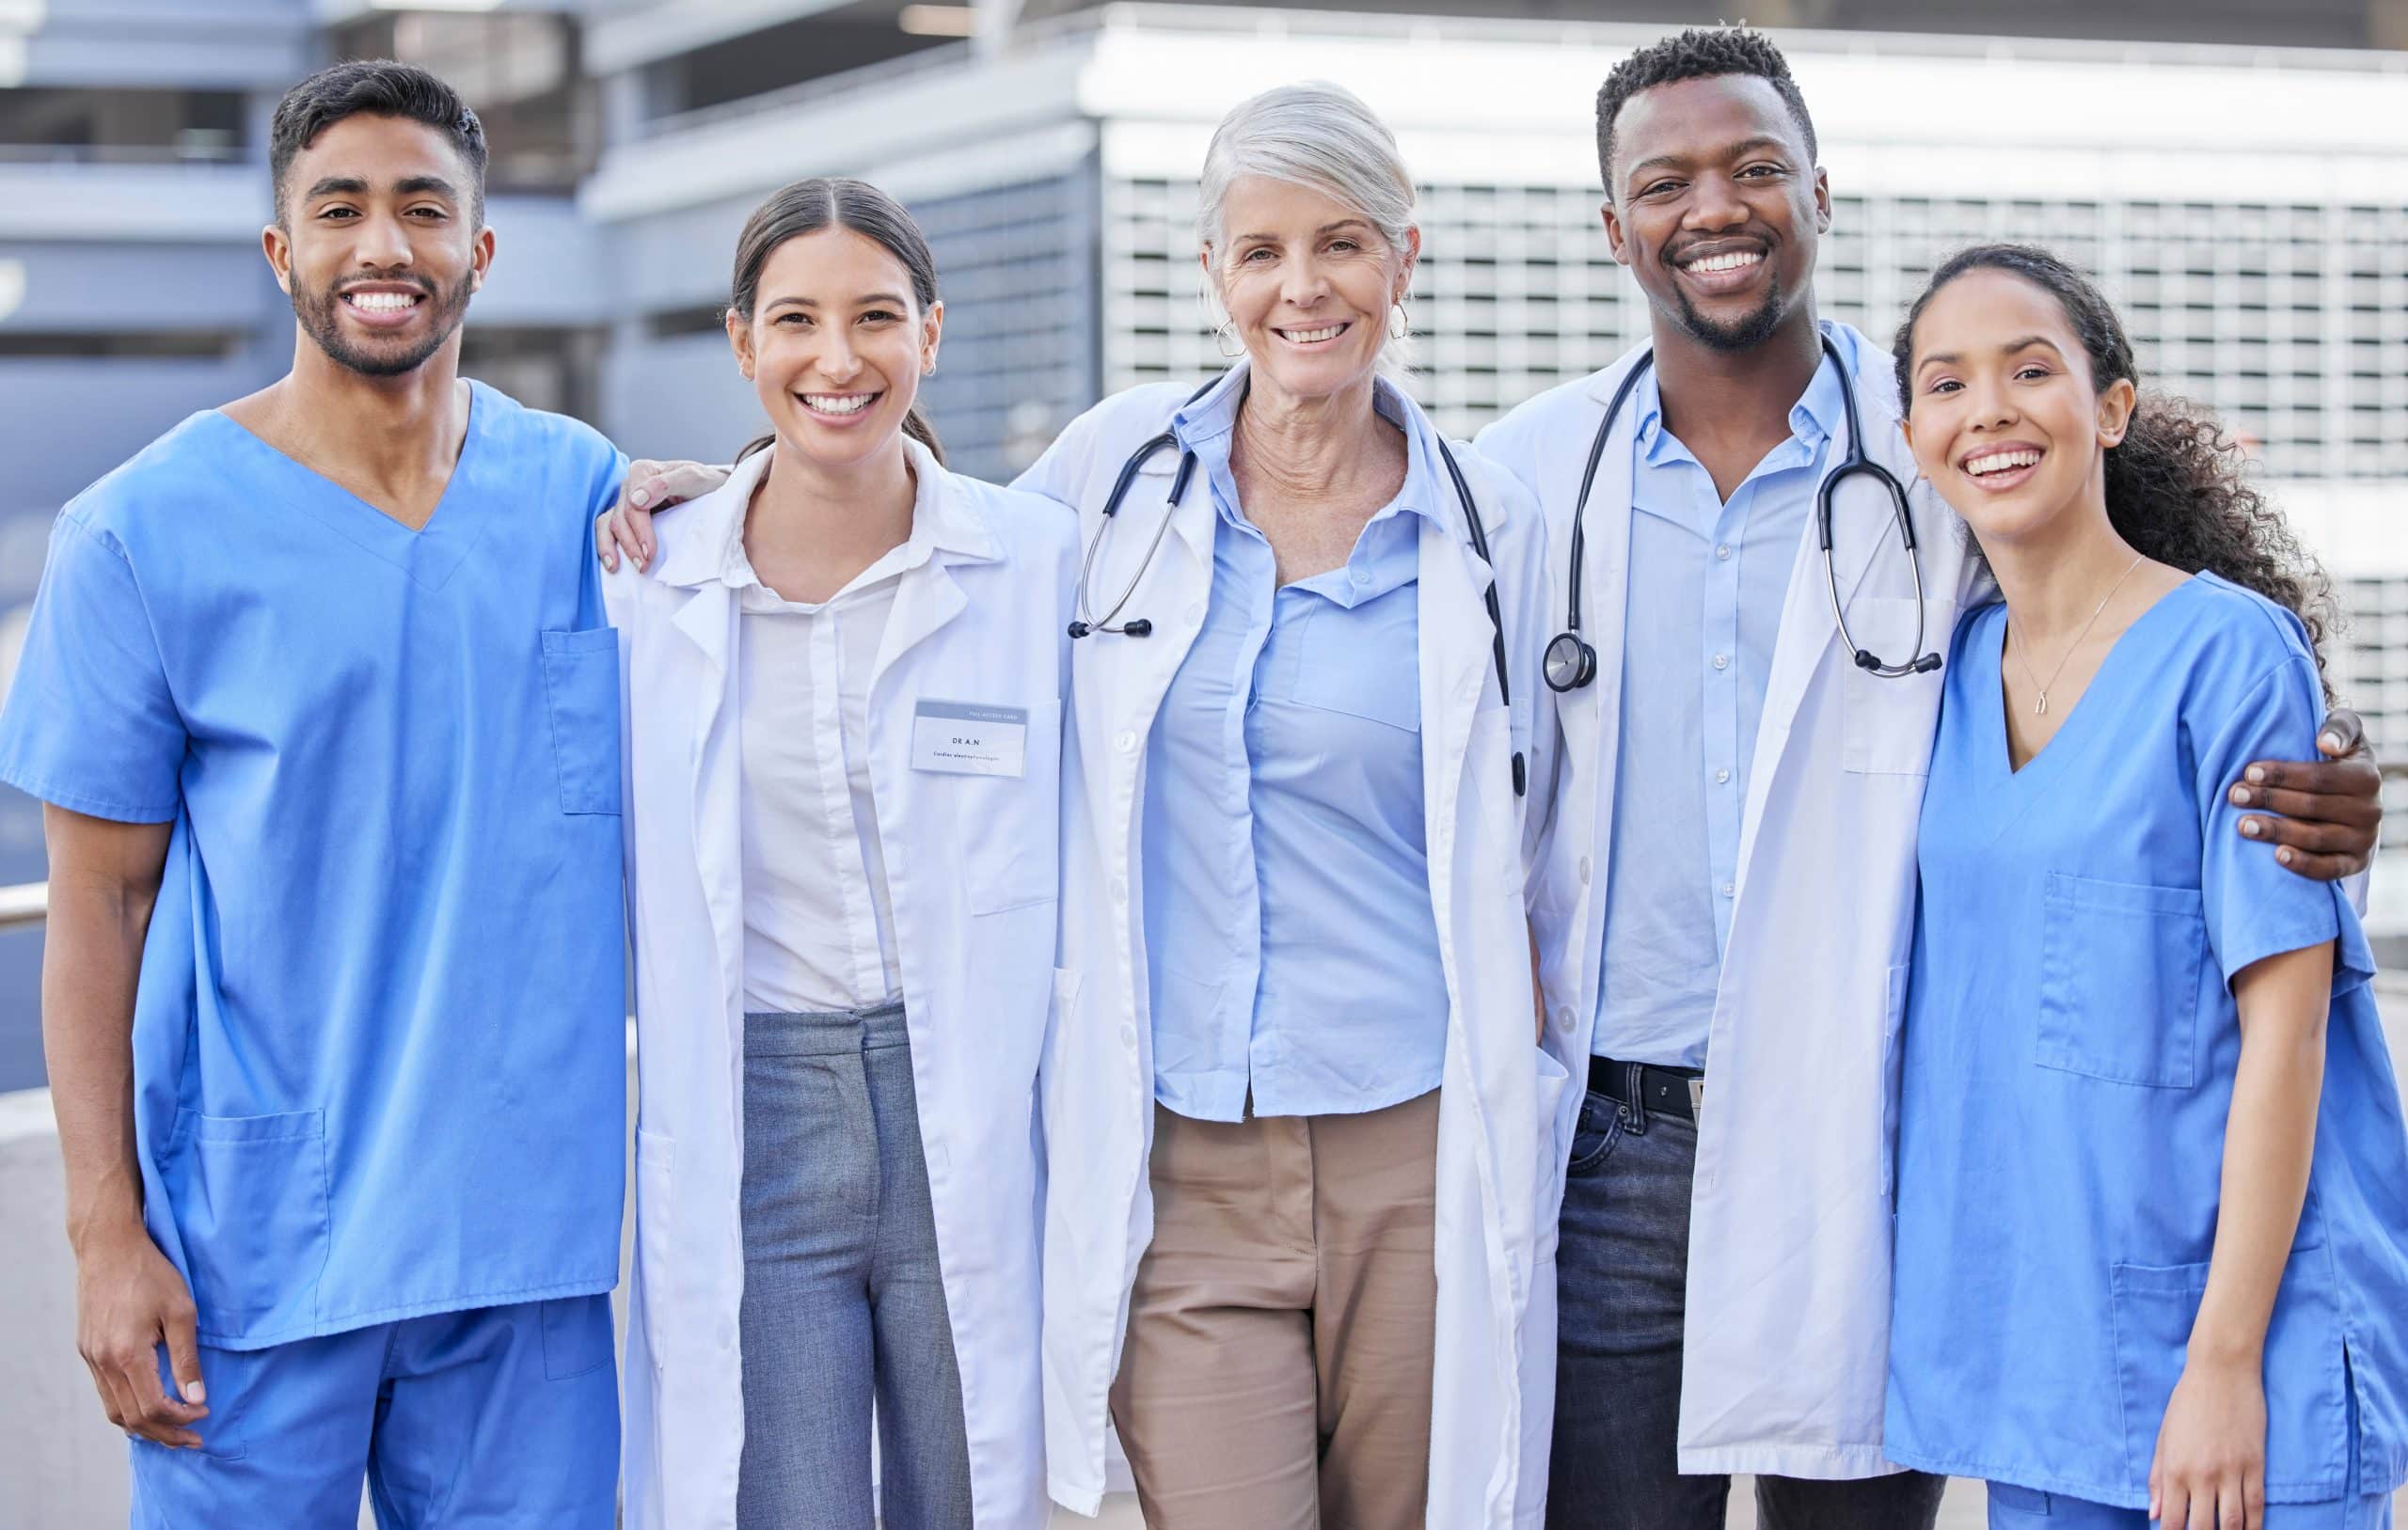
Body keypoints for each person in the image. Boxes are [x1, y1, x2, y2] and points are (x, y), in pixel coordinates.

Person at [598, 80, 1560, 1529]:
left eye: (1343, 244)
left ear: (1404, 260)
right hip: (1185, 1162)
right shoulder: (1116, 478)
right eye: (1261, 251)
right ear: (1214, 276)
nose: (1303, 287)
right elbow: (916, 517)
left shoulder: (1492, 528)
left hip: (1415, 1145)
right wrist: (720, 486)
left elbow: (1544, 841)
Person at [1473, 28, 2387, 1530]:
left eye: (1757, 166)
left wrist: (2325, 770)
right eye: (1668, 180)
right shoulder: (1523, 478)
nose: (1717, 206)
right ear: (1612, 224)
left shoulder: (1934, 467)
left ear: (1821, 193)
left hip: (1862, 1130)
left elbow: (2147, 634)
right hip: (1612, 1160)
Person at [0, 61, 626, 1523]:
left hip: (520, 1252)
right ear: (284, 253)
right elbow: (97, 901)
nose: (383, 247)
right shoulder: (139, 536)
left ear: (481, 247)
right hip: (255, 1252)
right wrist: (106, 1237)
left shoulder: (582, 497)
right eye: (338, 210)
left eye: (423, 207)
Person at [1884, 243, 2408, 1530]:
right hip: (2044, 1365)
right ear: (1911, 436)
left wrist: (2224, 1367)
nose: (1989, 410)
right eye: (1947, 384)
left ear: (2110, 407)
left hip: (2244, 1361)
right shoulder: (1940, 678)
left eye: (2030, 370)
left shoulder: (2230, 655)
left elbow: (2291, 1037)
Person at [610, 177, 1070, 1530]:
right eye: (796, 321)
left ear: (930, 332)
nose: (837, 358)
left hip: (969, 1104)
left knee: (975, 1499)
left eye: (876, 317)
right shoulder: (649, 579)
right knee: (784, 1502)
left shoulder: (1037, 563)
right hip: (760, 1114)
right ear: (742, 342)